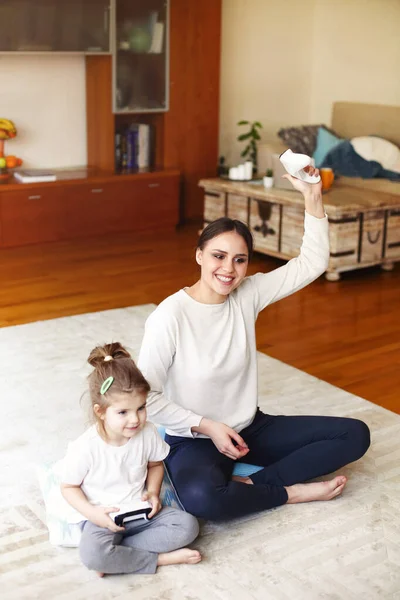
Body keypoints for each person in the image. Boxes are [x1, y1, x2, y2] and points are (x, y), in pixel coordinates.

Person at [137, 167, 371, 522]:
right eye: (218, 256)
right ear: (199, 255)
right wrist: (208, 426)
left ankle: (253, 485)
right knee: (202, 499)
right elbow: (147, 399)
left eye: (239, 259)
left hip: (250, 428)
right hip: (195, 438)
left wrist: (313, 196)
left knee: (355, 435)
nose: (228, 269)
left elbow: (311, 263)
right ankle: (289, 493)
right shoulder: (170, 316)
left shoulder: (247, 295)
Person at [60, 342, 201, 576]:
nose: (135, 419)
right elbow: (68, 486)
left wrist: (153, 493)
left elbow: (155, 464)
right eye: (123, 412)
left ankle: (117, 558)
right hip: (103, 518)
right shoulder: (86, 447)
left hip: (140, 510)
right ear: (101, 411)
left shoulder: (147, 432)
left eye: (141, 408)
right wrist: (92, 513)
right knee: (92, 554)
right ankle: (159, 560)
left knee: (188, 526)